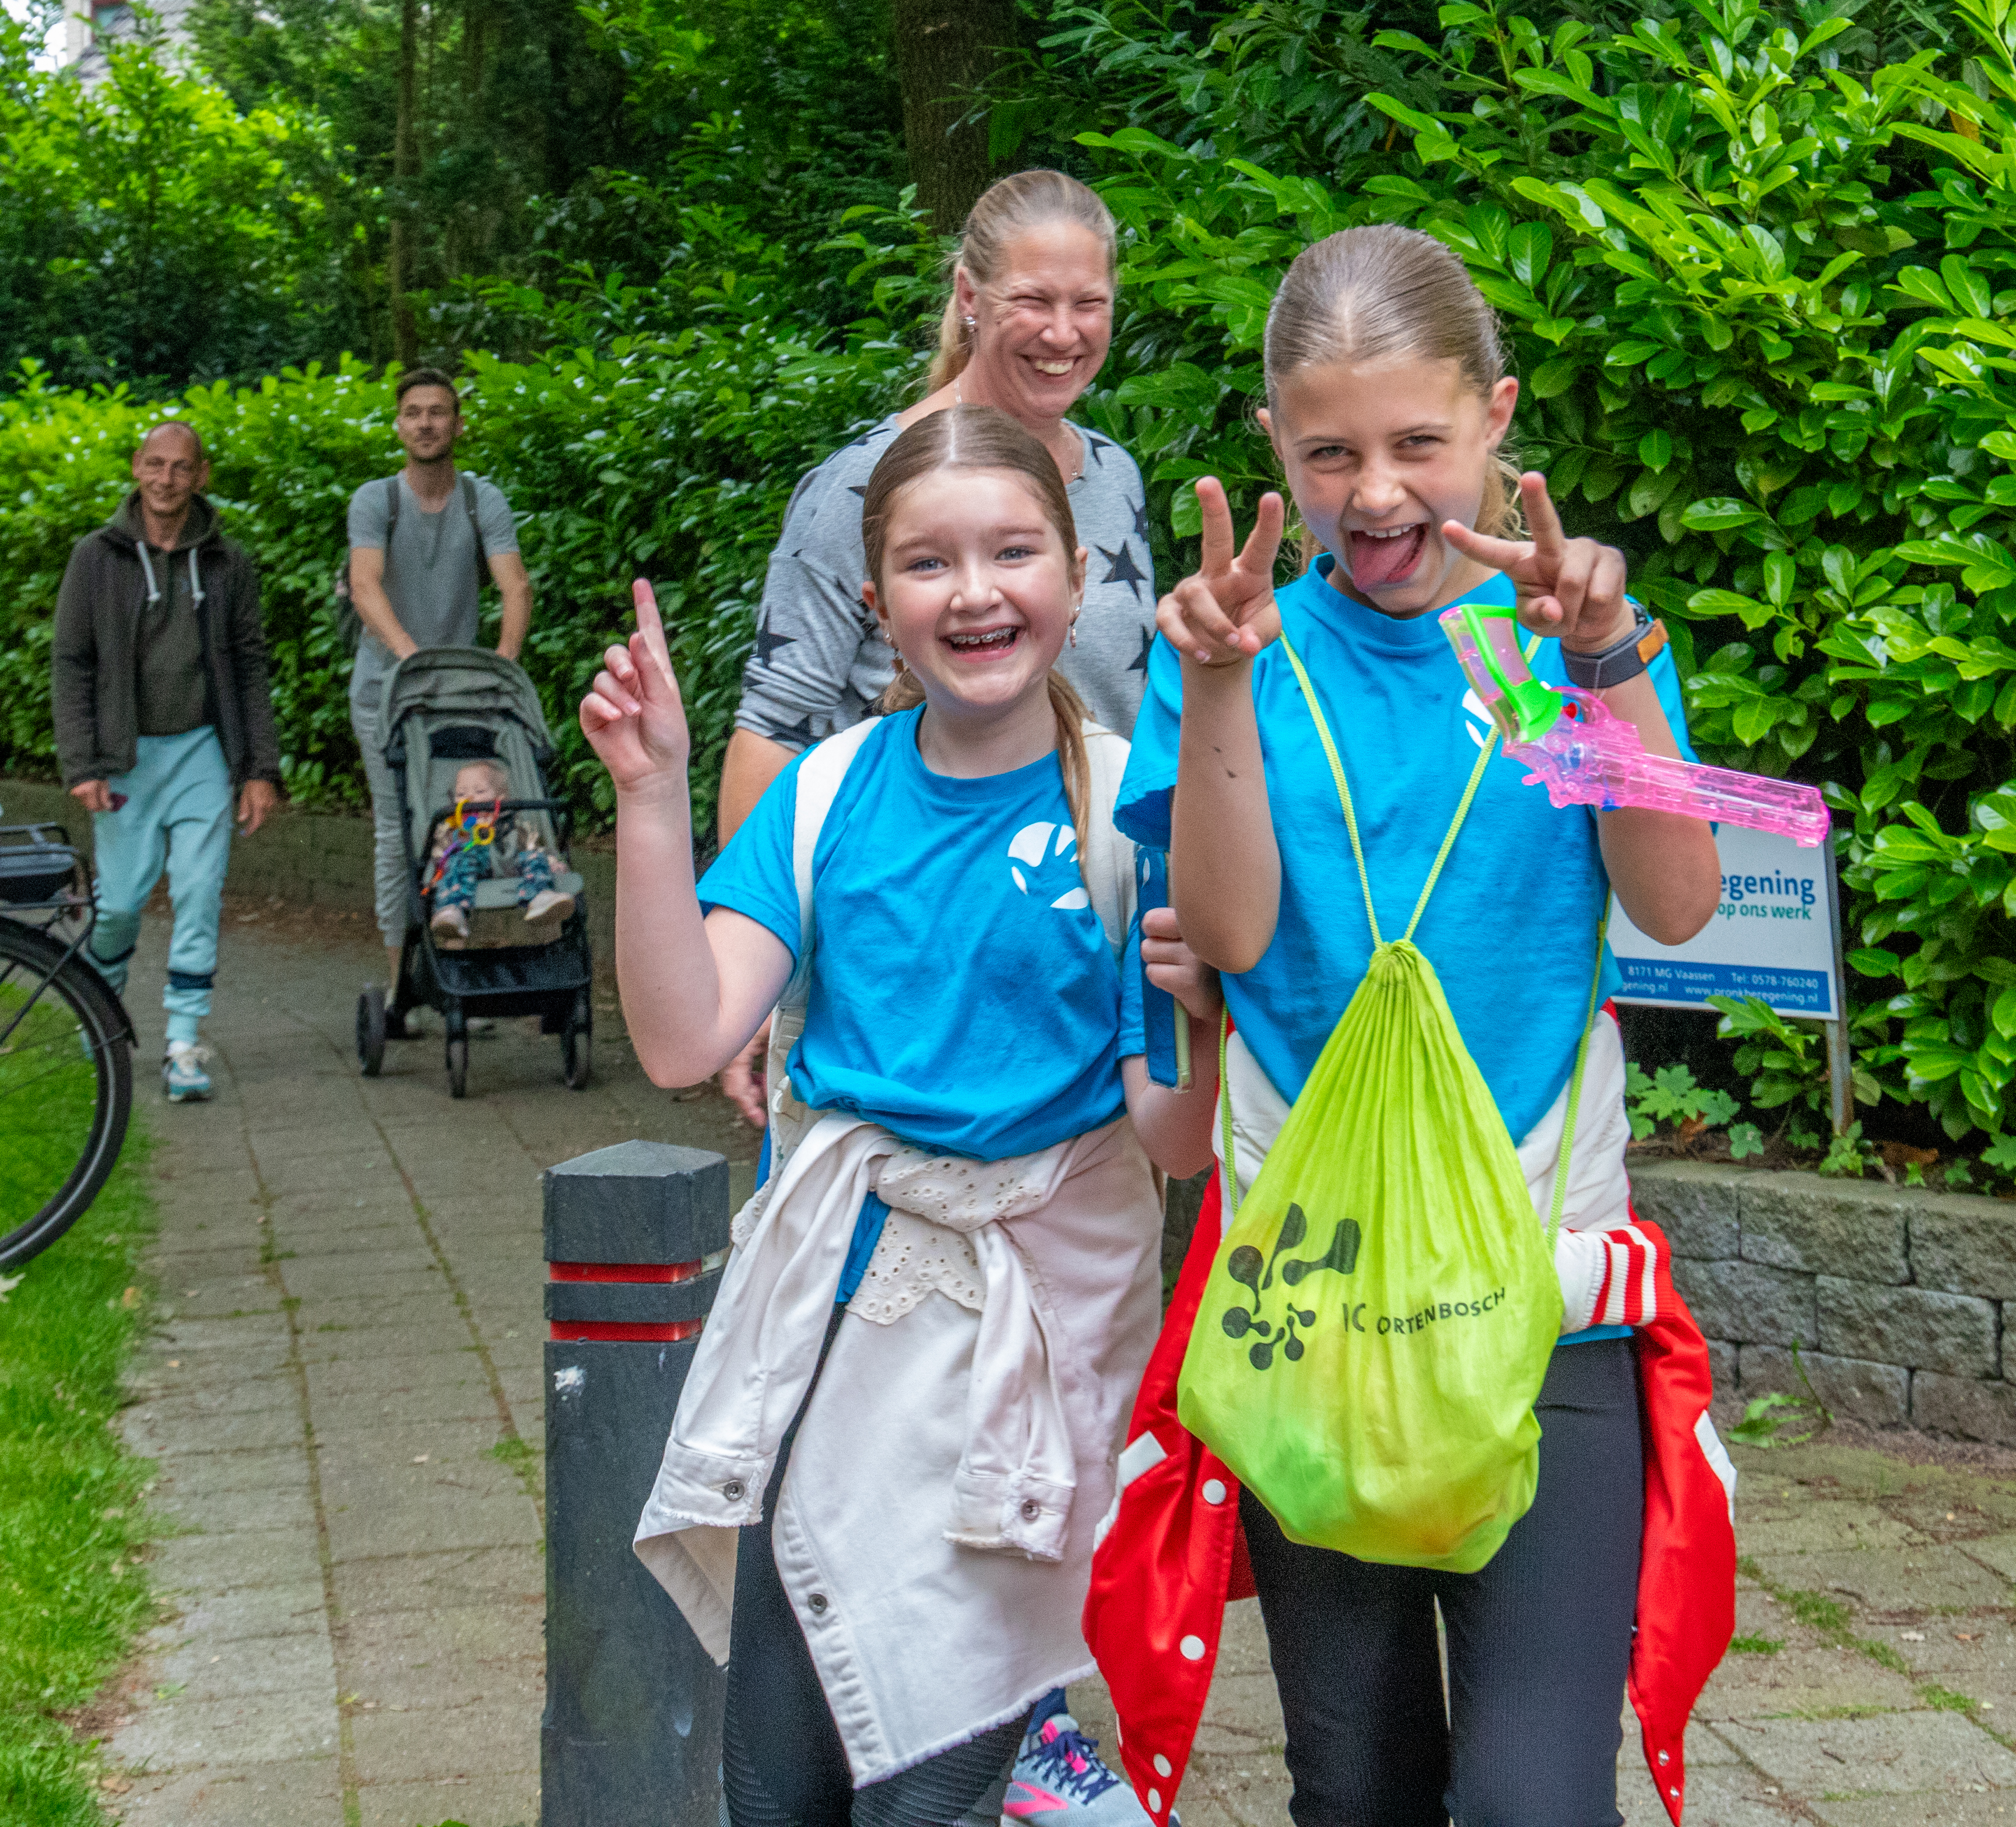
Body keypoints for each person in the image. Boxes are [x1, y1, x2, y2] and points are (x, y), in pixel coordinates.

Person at [1094, 225, 1732, 1826]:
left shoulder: (1547, 654)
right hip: (1317, 1316)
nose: (1375, 493)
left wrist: (1603, 667)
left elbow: (1675, 901)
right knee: (1358, 1783)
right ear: (1272, 449)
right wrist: (1224, 681)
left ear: (1497, 420)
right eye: (1329, 453)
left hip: (1547, 1305)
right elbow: (1227, 934)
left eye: (1417, 446)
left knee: (1532, 1797)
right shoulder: (1232, 645)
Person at [582, 407, 1221, 1827]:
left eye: (1013, 550)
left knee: (925, 1792)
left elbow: (1172, 1141)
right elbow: (690, 1031)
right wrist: (650, 797)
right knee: (782, 1779)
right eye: (929, 563)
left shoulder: (1136, 808)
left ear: (1080, 571)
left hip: (1015, 1367)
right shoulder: (823, 792)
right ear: (877, 602)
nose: (976, 590)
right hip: (818, 1347)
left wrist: (1204, 997)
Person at [52, 420, 281, 1103]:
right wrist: (82, 762)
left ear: (201, 475)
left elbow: (249, 666)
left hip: (201, 753)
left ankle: (184, 1043)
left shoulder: (227, 562)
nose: (167, 479)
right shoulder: (95, 558)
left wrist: (258, 769)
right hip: (124, 759)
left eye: (182, 468)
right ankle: (102, 1009)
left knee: (198, 892)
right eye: (155, 464)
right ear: (136, 467)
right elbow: (71, 662)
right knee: (119, 906)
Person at [346, 366, 533, 1024]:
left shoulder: (483, 500)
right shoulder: (376, 500)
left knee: (469, 820)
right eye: (413, 412)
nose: (425, 422)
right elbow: (365, 585)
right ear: (398, 424)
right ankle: (401, 985)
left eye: (438, 411)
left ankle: (462, 972)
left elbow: (514, 586)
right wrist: (412, 659)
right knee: (400, 831)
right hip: (386, 695)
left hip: (460, 698)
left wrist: (502, 666)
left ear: (457, 423)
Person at [422, 758, 575, 946]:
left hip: (509, 868)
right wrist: (438, 867)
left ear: (500, 799)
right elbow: (440, 855)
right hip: (471, 875)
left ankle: (541, 896)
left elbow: (534, 846)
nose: (470, 799)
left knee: (533, 855)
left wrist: (552, 863)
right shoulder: (453, 830)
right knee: (457, 860)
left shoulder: (516, 827)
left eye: (480, 791)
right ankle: (451, 911)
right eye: (461, 794)